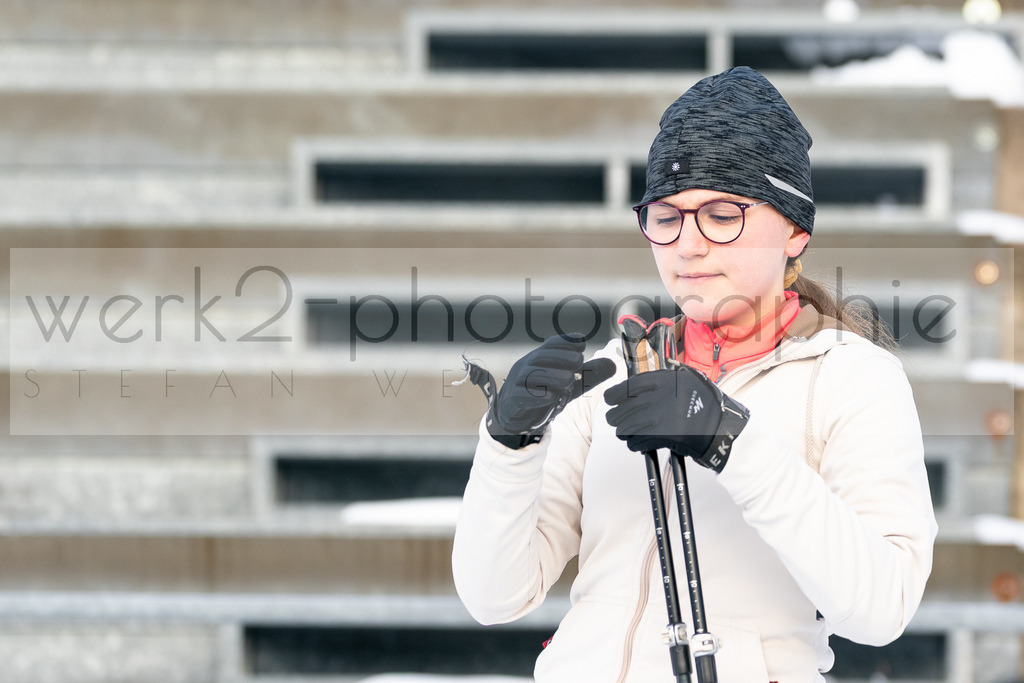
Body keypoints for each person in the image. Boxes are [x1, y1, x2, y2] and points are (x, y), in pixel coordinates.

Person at [452, 66, 937, 682]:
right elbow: (494, 596)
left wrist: (731, 439)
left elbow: (882, 606)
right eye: (667, 215)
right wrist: (508, 447)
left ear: (794, 229)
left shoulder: (851, 379)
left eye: (721, 213)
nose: (687, 245)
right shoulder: (612, 373)